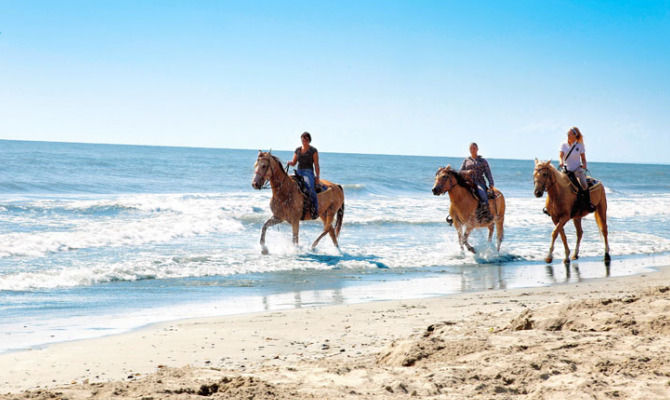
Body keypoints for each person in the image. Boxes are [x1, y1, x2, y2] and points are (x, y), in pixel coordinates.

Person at [559, 126, 596, 213]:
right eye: (567, 134)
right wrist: (561, 162)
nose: (568, 135)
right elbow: (561, 156)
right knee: (556, 184)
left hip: (577, 170)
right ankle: (551, 206)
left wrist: (584, 164)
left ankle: (588, 204)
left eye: (570, 134)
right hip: (566, 170)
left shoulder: (580, 146)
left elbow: (583, 158)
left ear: (575, 135)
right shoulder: (563, 145)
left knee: (584, 185)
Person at [287, 131, 320, 218]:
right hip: (298, 171)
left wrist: (317, 177)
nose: (304, 141)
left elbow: (316, 165)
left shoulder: (313, 150)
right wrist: (289, 163)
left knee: (310, 188)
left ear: (309, 140)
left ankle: (315, 210)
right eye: (303, 139)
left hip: (308, 172)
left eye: (306, 139)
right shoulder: (297, 150)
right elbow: (294, 163)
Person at [459, 142, 495, 222]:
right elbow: (460, 172)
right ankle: (455, 214)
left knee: (482, 193)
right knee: (457, 192)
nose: (472, 150)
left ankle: (486, 213)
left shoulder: (483, 161)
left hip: (479, 182)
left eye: (474, 148)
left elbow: (488, 172)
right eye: (471, 148)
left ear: (477, 149)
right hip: (468, 182)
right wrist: (467, 172)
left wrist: (491, 183)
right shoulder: (466, 160)